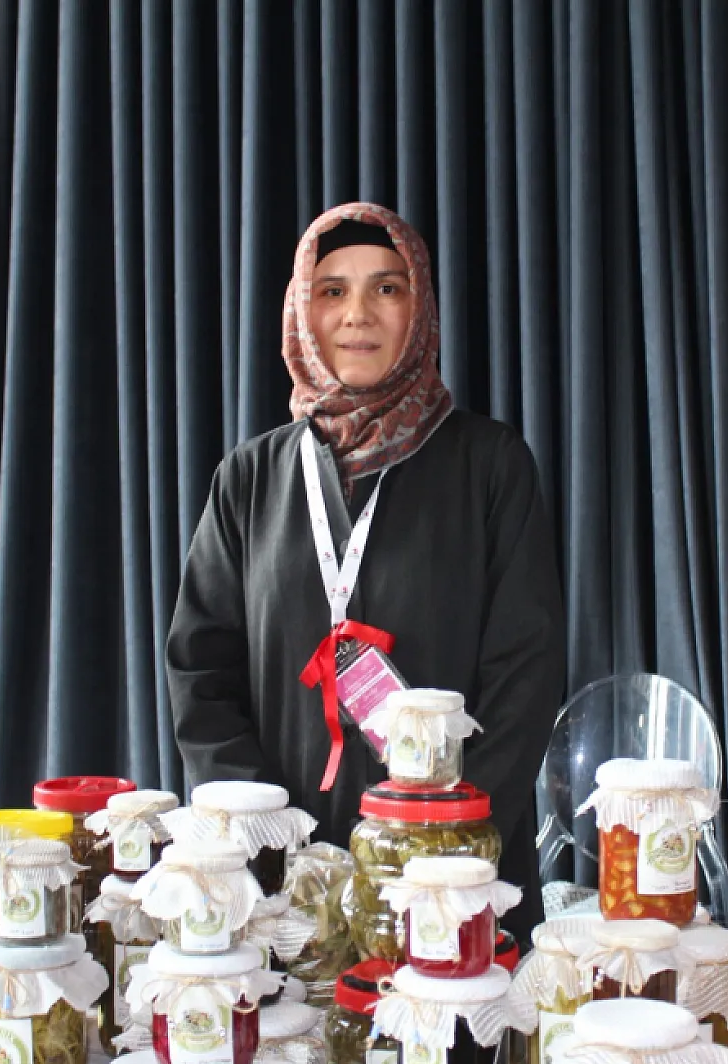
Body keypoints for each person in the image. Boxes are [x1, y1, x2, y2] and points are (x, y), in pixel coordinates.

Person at [167, 202, 566, 941]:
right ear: (300, 314)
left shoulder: (491, 465)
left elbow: (526, 677)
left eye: (387, 288)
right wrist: (269, 844)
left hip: (450, 885)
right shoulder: (250, 478)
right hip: (284, 893)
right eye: (331, 290)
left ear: (420, 308)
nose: (358, 313)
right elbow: (201, 671)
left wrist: (439, 845)